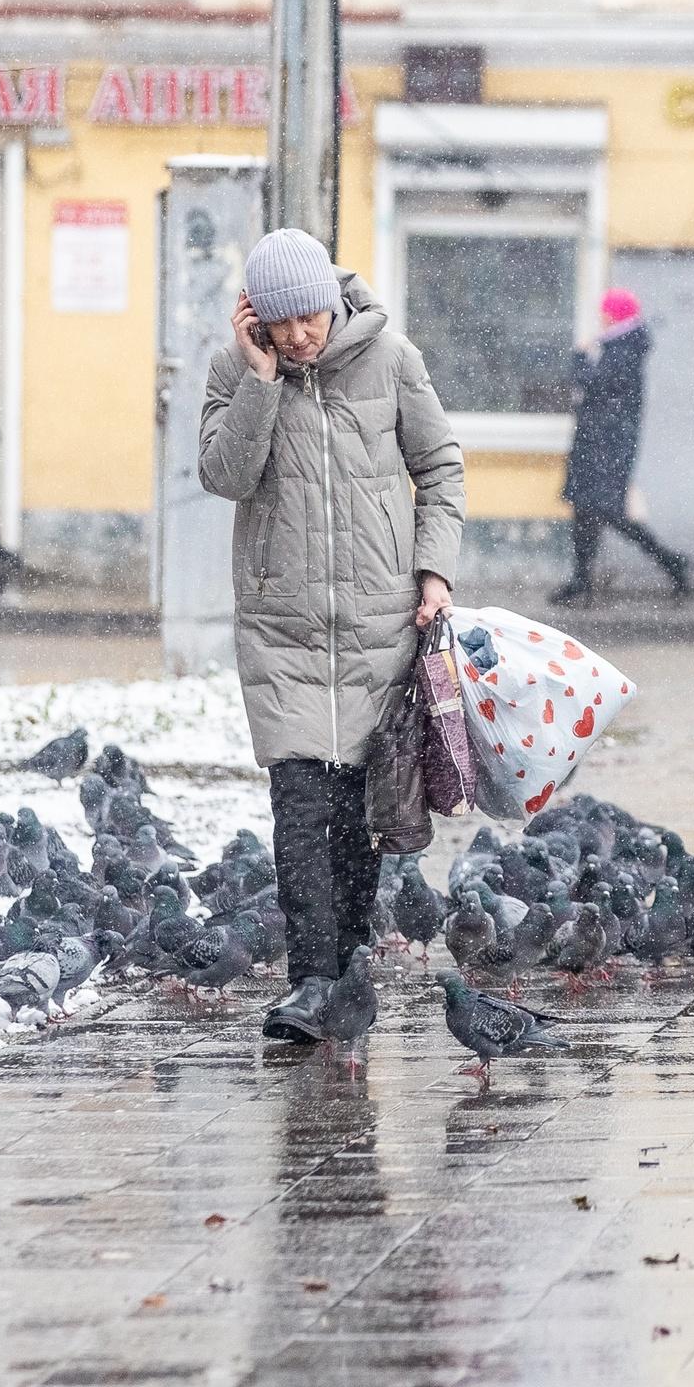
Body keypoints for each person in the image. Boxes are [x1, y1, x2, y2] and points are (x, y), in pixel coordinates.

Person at [199, 227, 465, 1044]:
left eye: (311, 317)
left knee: (358, 820)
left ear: (331, 299)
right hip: (284, 631)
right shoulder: (236, 370)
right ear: (259, 321)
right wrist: (259, 380)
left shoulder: (392, 360)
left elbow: (442, 468)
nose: (303, 335)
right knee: (301, 811)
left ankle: (346, 967)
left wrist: (433, 572)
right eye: (283, 324)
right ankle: (314, 980)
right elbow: (224, 475)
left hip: (380, 625)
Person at [550, 287, 689, 606]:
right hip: (599, 443)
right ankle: (581, 579)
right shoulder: (621, 346)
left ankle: (670, 562)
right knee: (586, 510)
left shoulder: (623, 349)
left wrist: (581, 356)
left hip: (606, 447)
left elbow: (592, 383)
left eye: (604, 312)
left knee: (608, 511)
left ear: (614, 314)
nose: (600, 317)